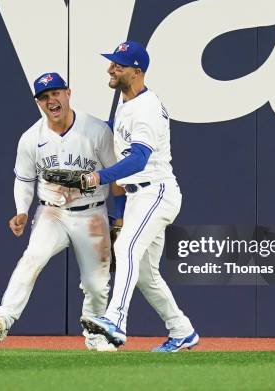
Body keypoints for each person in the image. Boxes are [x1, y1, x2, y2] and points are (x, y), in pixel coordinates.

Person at [79, 42, 199, 352]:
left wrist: (98, 177)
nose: (111, 69)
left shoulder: (146, 108)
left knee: (126, 247)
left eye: (118, 65)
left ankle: (115, 320)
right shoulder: (127, 102)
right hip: (138, 197)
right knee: (146, 275)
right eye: (112, 63)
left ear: (137, 71)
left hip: (155, 192)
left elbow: (138, 159)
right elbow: (114, 133)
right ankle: (182, 330)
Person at [0, 72, 117, 351]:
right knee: (33, 257)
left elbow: (116, 177)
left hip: (92, 213)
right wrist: (21, 211)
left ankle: (94, 335)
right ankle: (2, 318)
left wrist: (119, 216)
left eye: (55, 93)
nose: (51, 100)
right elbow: (24, 179)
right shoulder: (31, 138)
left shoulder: (96, 130)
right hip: (52, 213)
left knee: (96, 283)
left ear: (68, 93)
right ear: (39, 103)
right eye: (44, 97)